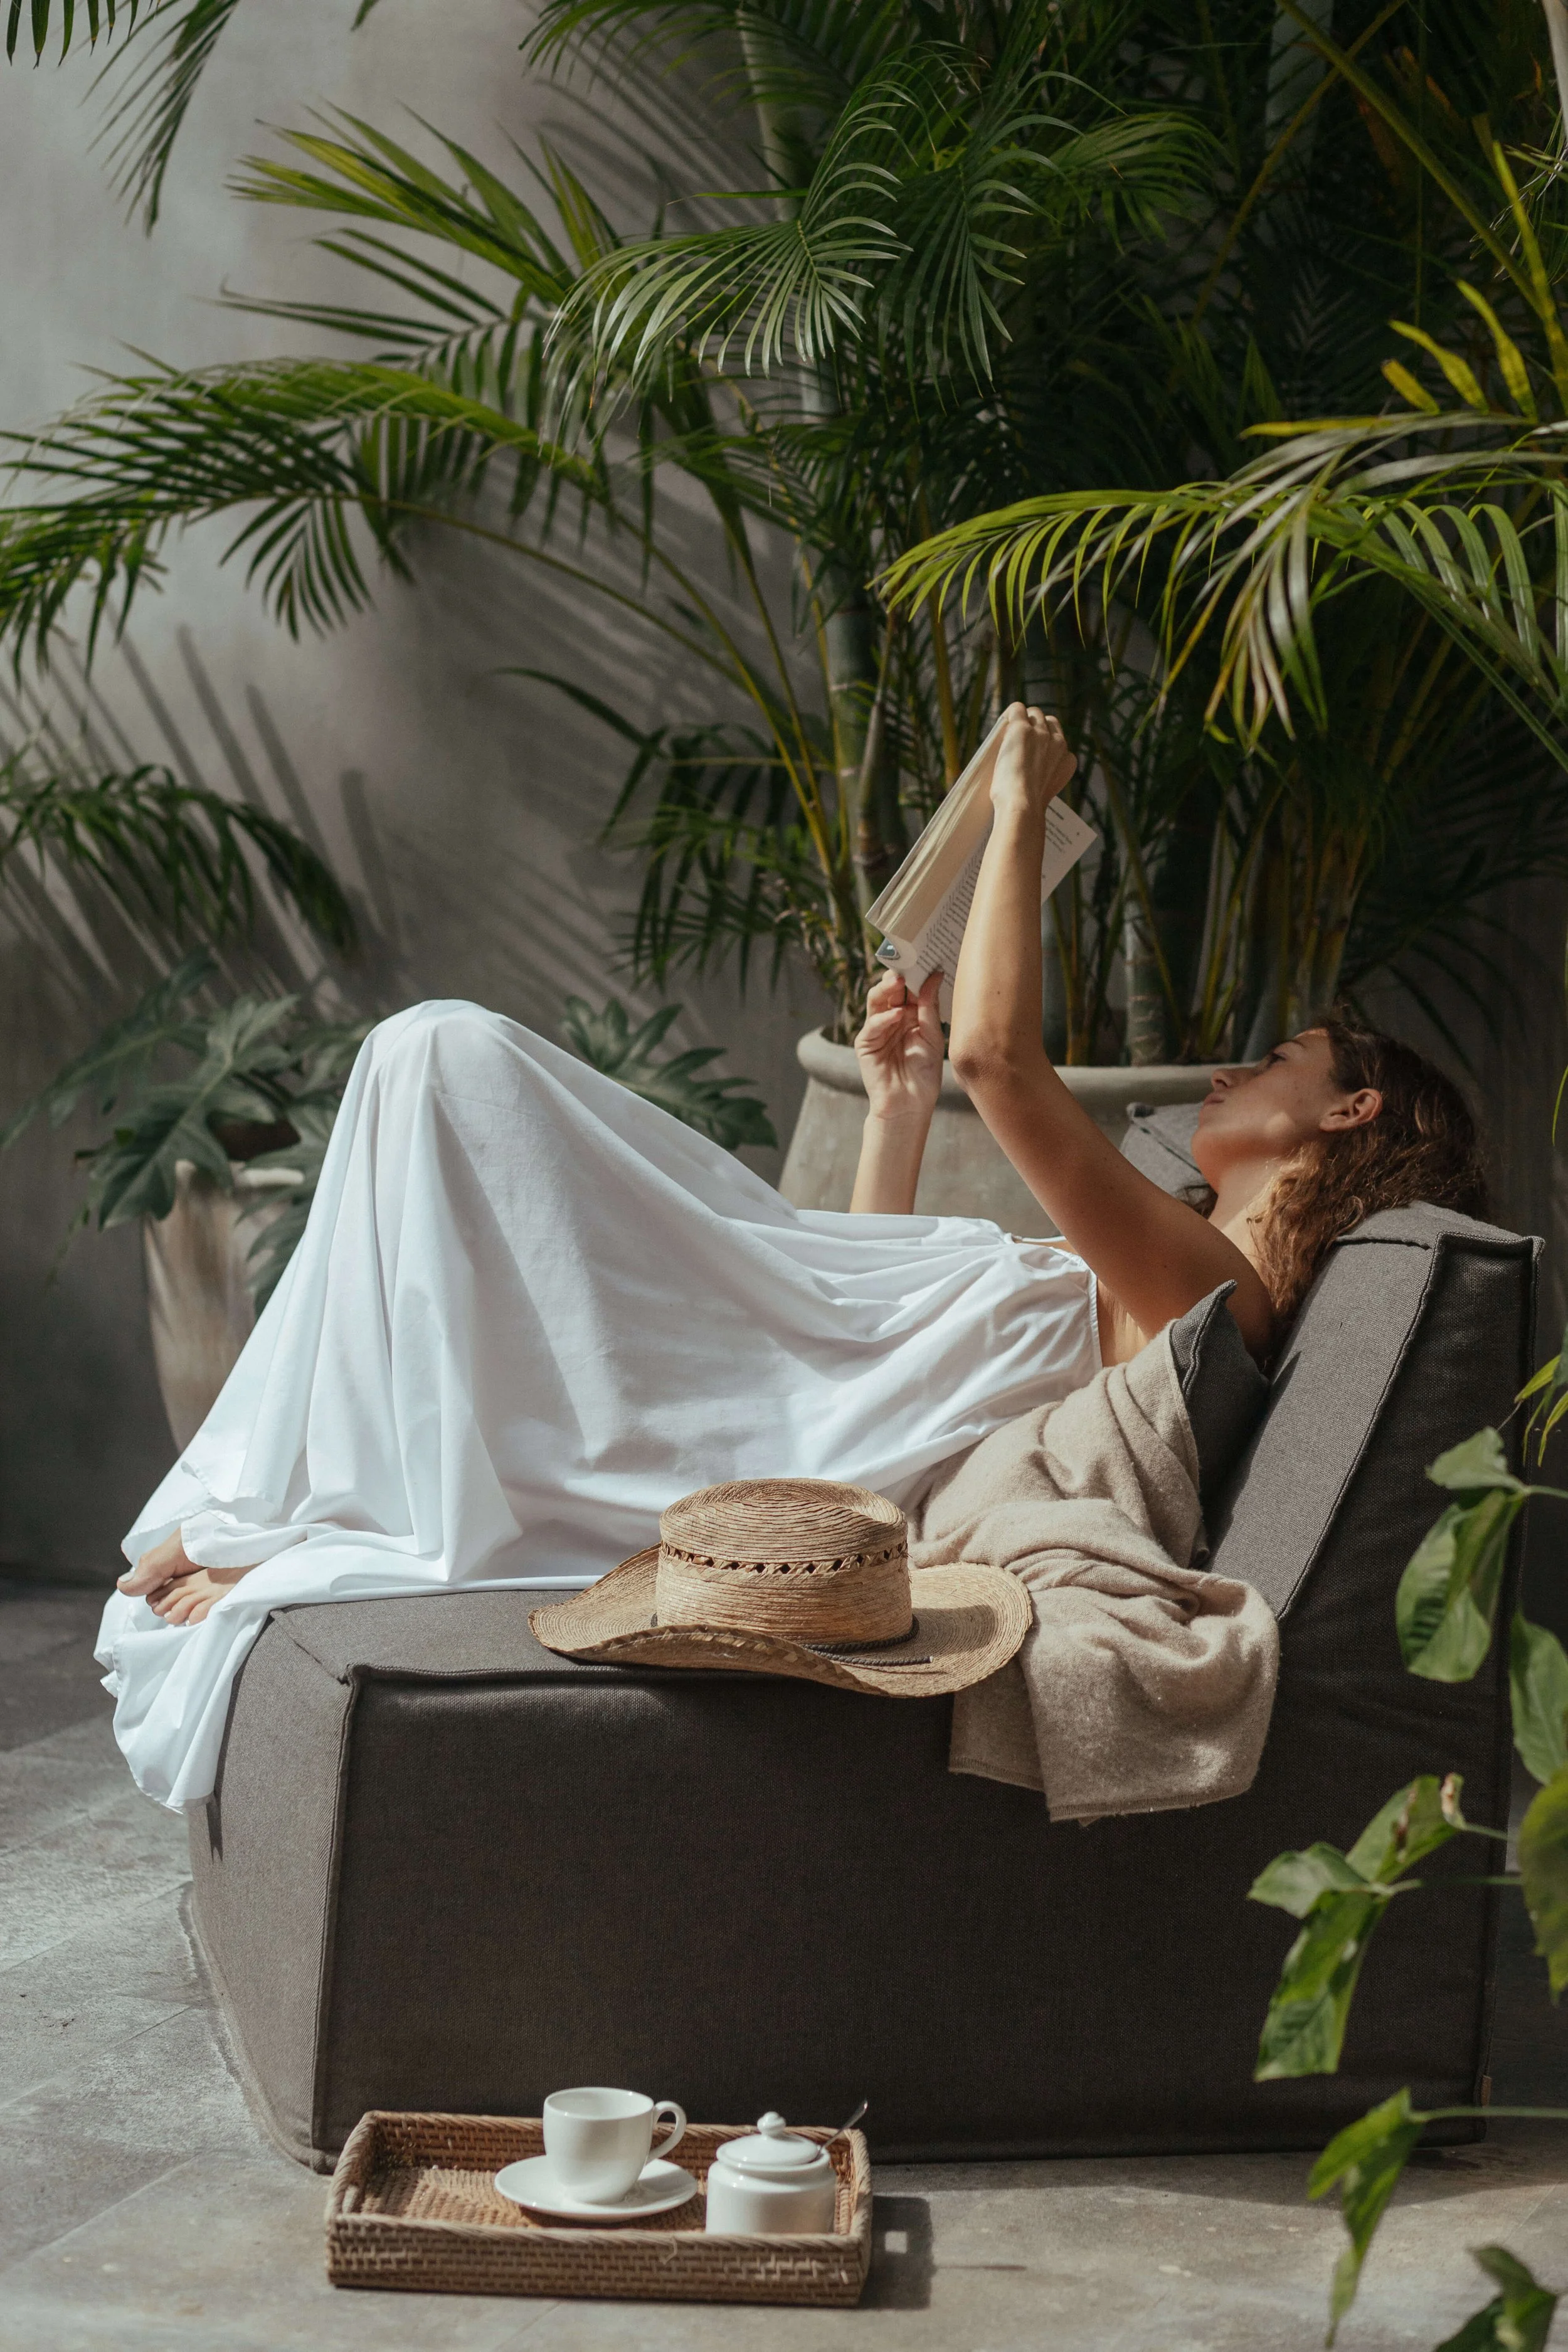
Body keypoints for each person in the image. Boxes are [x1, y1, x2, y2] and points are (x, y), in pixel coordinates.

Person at [100, 705, 1489, 1808]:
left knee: (442, 1058)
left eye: (1284, 1061)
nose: (1242, 1066)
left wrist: (1015, 810)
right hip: (810, 1345)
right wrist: (893, 1114)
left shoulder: (1213, 1293)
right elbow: (881, 1337)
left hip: (813, 1406)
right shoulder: (1166, 1267)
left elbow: (1004, 1065)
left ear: (1349, 1111)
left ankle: (332, 1526)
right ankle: (314, 1508)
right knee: (431, 1064)